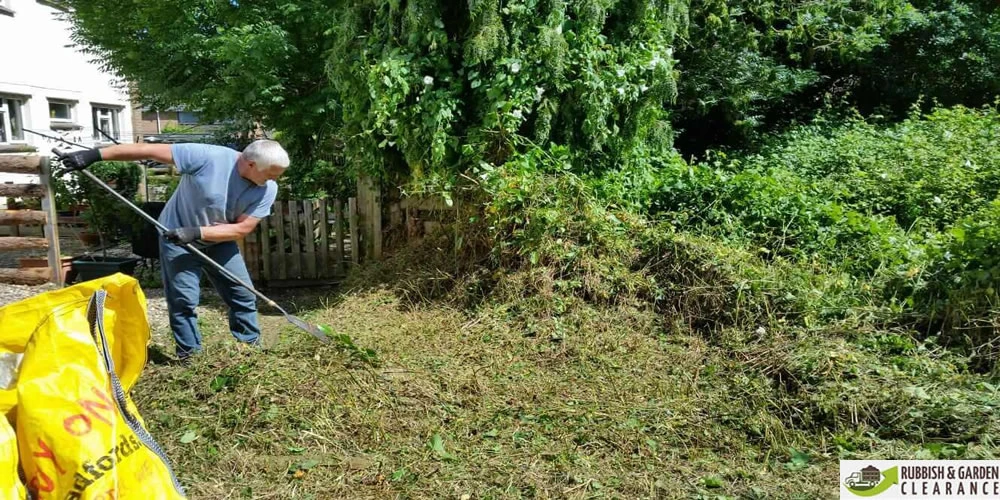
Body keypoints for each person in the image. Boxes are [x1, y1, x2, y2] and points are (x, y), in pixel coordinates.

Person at [56, 140, 289, 361]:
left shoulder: (267, 189)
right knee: (183, 300)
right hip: (176, 240)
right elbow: (146, 150)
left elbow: (241, 229)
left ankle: (249, 349)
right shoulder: (209, 157)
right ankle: (190, 356)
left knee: (243, 295)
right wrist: (94, 155)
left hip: (218, 241)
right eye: (271, 173)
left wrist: (198, 232)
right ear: (250, 164)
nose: (275, 179)